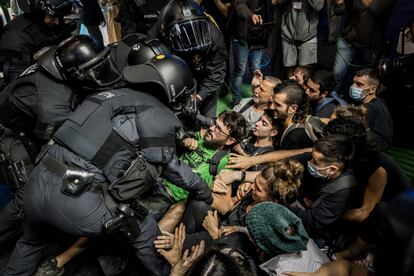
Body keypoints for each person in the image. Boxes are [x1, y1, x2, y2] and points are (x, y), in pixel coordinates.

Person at [5, 54, 212, 276]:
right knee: (142, 227)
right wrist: (202, 189)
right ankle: (167, 273)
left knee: (31, 243)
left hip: (36, 183)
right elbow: (173, 169)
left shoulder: (106, 95)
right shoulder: (161, 116)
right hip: (75, 200)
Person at [0, 35, 122, 248]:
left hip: (30, 123)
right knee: (27, 194)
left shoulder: (63, 58)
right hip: (11, 134)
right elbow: (68, 139)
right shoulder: (52, 105)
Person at [149, 0, 227, 121]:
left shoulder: (213, 35)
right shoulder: (156, 37)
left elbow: (217, 71)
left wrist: (200, 96)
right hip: (176, 77)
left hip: (204, 74)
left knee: (208, 119)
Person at [290, 134, 359, 249]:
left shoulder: (342, 192)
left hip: (319, 235)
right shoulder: (316, 160)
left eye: (315, 161)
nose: (309, 161)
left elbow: (309, 222)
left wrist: (280, 199)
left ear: (332, 169)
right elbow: (284, 164)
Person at [0, 0, 76, 85]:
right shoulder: (15, 37)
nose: (57, 22)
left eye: (61, 17)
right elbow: (17, 81)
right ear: (40, 12)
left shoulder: (49, 26)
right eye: (53, 16)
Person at [348, 68, 393, 151]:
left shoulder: (370, 108)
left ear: (372, 89)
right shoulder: (378, 102)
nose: (353, 86)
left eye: (359, 84)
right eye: (353, 82)